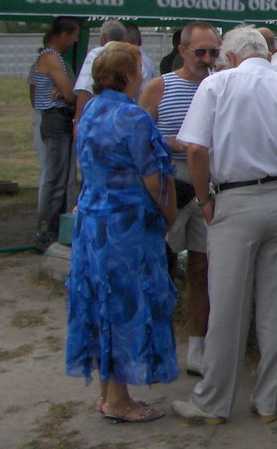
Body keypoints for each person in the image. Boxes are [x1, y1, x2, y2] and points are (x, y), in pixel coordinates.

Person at [172, 25, 277, 425]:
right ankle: (268, 402)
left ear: (231, 56)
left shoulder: (217, 85)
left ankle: (214, 402)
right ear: (265, 52)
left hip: (234, 199)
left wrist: (204, 200)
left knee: (227, 305)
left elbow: (195, 149)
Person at [66, 43, 178, 423]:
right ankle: (119, 401)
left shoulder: (91, 110)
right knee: (124, 306)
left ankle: (107, 394)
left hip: (92, 222)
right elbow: (155, 179)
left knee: (100, 301)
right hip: (126, 227)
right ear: (128, 76)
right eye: (139, 70)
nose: (143, 76)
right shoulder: (133, 117)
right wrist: (169, 215)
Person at [140, 21, 221, 377]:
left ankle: (198, 348)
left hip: (209, 185)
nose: (207, 59)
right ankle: (154, 344)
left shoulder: (220, 85)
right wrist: (174, 141)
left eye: (213, 52)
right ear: (182, 50)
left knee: (202, 269)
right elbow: (140, 137)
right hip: (170, 182)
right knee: (161, 268)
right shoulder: (159, 86)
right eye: (200, 52)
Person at [34, 17, 80, 249]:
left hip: (57, 120)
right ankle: (45, 232)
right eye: (74, 36)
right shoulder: (51, 57)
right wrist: (67, 90)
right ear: (63, 35)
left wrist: (66, 89)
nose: (75, 41)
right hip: (55, 120)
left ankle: (56, 229)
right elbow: (71, 93)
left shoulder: (53, 58)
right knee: (55, 181)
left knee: (60, 180)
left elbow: (67, 90)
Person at [28, 39, 76, 213]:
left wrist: (65, 91)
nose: (74, 41)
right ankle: (47, 220)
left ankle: (63, 214)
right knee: (51, 174)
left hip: (63, 118)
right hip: (49, 118)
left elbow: (71, 92)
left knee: (65, 175)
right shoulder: (40, 65)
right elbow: (35, 97)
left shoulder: (65, 65)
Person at [73, 19, 127, 128]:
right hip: (124, 118)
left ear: (104, 38)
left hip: (98, 120)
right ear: (124, 38)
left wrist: (78, 122)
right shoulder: (133, 56)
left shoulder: (97, 54)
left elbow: (85, 88)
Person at [124, 22, 156, 95]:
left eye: (123, 43)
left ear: (134, 43)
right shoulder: (141, 59)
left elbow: (144, 93)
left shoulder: (142, 63)